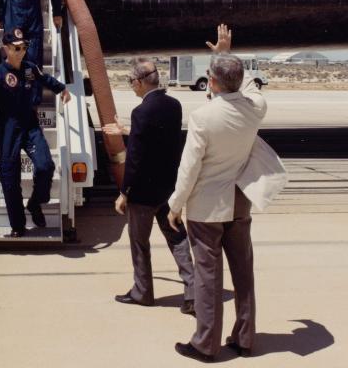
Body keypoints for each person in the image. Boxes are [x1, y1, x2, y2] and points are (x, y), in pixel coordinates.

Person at [167, 24, 267, 362]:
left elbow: (189, 168)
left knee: (208, 277)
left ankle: (206, 344)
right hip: (240, 201)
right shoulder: (255, 108)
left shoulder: (203, 117)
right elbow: (251, 85)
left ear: (211, 82)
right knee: (244, 272)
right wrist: (225, 56)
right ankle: (245, 338)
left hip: (207, 207)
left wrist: (175, 204)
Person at [114, 58, 195, 312]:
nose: (132, 87)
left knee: (140, 243)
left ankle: (143, 292)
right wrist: (129, 130)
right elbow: (160, 138)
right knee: (178, 239)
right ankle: (193, 292)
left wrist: (124, 192)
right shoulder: (174, 105)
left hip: (144, 193)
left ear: (139, 82)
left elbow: (136, 156)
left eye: (131, 83)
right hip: (168, 188)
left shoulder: (141, 112)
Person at [0, 30, 72, 237]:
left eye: (24, 47)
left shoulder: (29, 68)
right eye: (17, 48)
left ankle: (35, 203)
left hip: (30, 124)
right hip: (8, 127)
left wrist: (62, 89)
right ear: (6, 49)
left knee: (45, 166)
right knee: (10, 178)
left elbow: (46, 79)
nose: (22, 51)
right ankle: (17, 225)